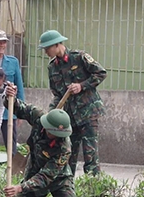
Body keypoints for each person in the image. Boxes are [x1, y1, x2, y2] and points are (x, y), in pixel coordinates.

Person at [38, 29, 107, 176]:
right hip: (69, 118)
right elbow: (57, 94)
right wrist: (52, 113)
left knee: (91, 155)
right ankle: (68, 188)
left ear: (57, 45)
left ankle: (93, 189)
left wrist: (81, 85)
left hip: (88, 113)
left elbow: (101, 73)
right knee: (69, 155)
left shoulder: (79, 58)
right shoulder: (52, 67)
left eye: (47, 48)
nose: (45, 52)